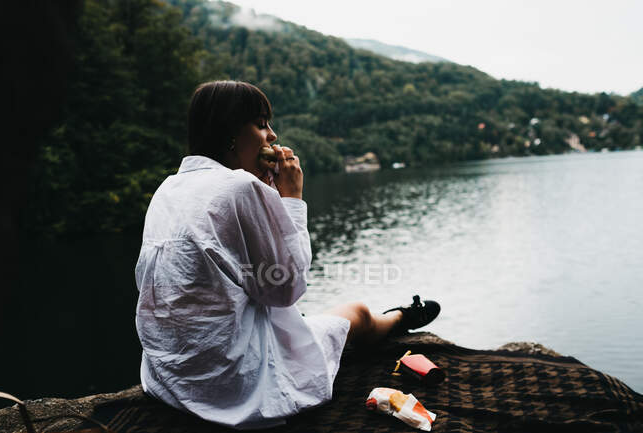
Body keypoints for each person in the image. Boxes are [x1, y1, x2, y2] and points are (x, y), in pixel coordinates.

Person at [134, 81, 440, 430]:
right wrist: (292, 198)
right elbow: (288, 287)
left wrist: (265, 192)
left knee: (300, 319)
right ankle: (400, 317)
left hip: (171, 378)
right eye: (262, 123)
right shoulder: (238, 187)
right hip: (230, 387)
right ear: (231, 131)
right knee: (354, 314)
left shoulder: (169, 188)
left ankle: (392, 316)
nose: (272, 135)